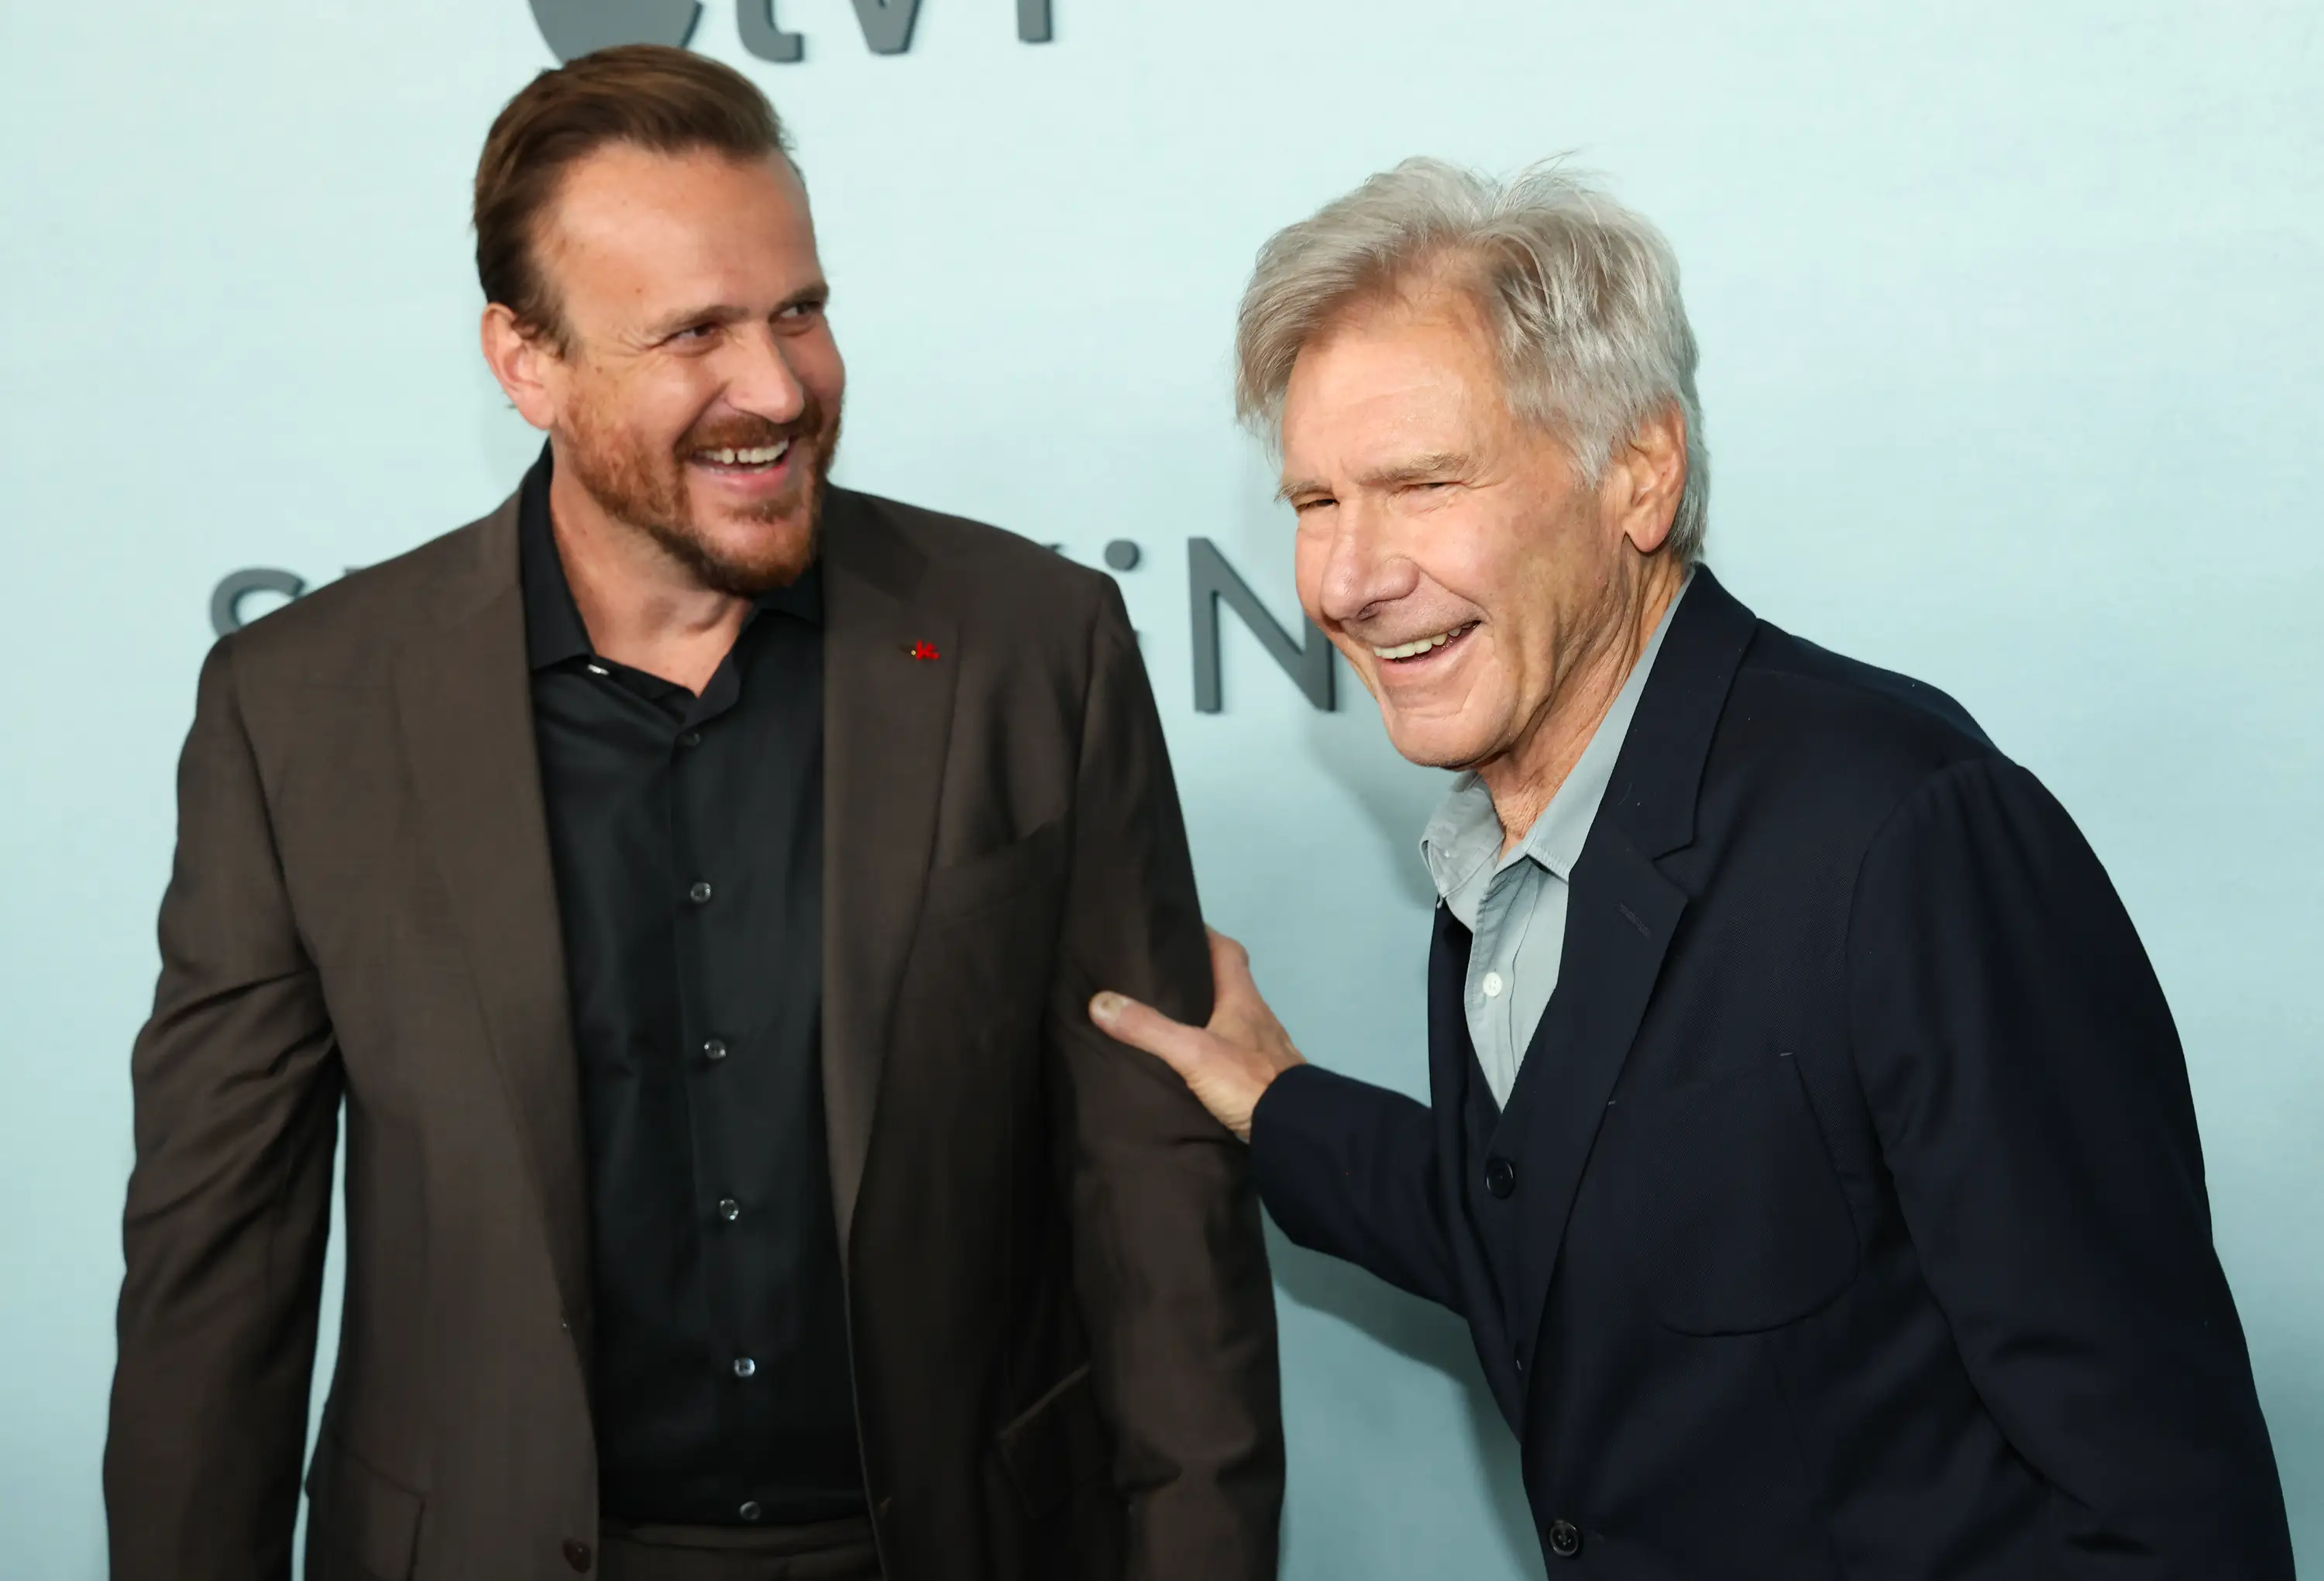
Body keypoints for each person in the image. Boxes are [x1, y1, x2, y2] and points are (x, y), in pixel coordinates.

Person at [106, 46, 1281, 1581]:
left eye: (800, 310)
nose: (779, 388)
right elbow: (219, 1259)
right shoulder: (303, 710)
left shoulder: (1030, 649)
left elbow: (1156, 1203)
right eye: (695, 333)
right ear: (526, 361)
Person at [1091, 160, 2292, 1578]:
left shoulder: (1906, 833)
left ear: (1640, 475)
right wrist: (1279, 1103)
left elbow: (2172, 1508)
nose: (1349, 579)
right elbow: (1579, 1223)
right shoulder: (1505, 843)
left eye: (1422, 484)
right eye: (1315, 501)